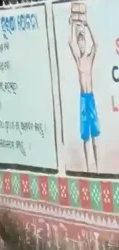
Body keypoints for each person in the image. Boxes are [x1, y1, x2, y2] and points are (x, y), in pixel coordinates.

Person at [68, 12, 99, 172]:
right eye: (79, 43)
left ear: (85, 44)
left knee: (95, 136)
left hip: (90, 97)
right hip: (83, 99)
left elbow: (96, 44)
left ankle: (97, 168)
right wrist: (73, 24)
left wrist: (87, 25)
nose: (81, 45)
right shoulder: (79, 60)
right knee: (85, 136)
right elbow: (69, 42)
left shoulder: (89, 58)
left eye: (83, 43)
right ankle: (88, 168)